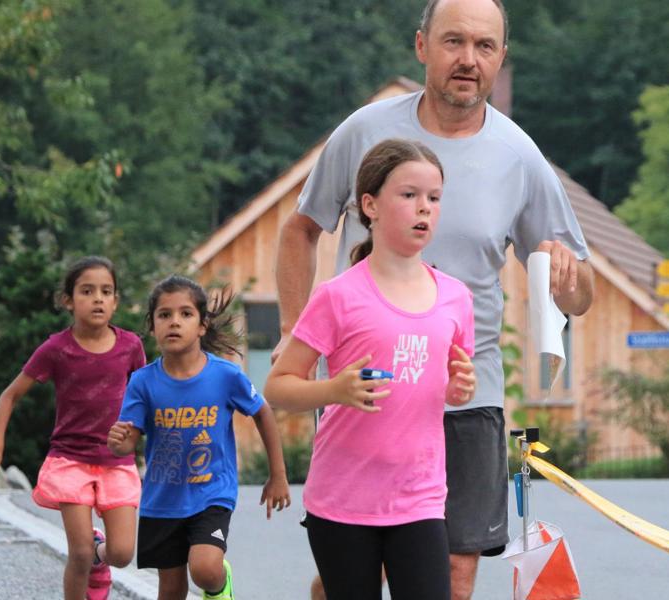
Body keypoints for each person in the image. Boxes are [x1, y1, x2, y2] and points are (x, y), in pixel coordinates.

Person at [274, 1, 595, 598]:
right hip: (368, 390)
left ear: (501, 58)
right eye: (453, 42)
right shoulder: (366, 132)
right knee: (363, 570)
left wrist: (568, 279)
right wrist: (294, 333)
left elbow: (579, 295)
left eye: (484, 46)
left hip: (468, 391)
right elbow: (300, 229)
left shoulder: (520, 157)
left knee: (453, 569)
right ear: (422, 46)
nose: (468, 60)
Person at [265, 138, 478, 599]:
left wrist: (459, 389)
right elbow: (278, 387)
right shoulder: (338, 297)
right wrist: (334, 390)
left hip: (420, 497)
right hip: (343, 500)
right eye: (409, 195)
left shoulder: (456, 298)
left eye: (434, 198)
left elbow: (443, 385)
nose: (424, 208)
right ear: (370, 205)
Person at [0, 256, 146, 600]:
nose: (97, 298)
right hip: (70, 461)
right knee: (77, 552)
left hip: (116, 463)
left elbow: (144, 398)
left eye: (106, 291)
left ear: (115, 301)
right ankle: (88, 560)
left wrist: (139, 437)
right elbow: (10, 396)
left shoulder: (130, 347)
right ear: (68, 301)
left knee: (123, 553)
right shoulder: (57, 349)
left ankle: (102, 557)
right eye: (87, 291)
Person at [107, 275, 291, 600]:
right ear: (152, 326)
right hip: (162, 499)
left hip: (211, 492)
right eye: (164, 315)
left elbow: (262, 411)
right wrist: (118, 440)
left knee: (205, 569)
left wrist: (277, 475)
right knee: (171, 589)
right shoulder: (142, 382)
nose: (174, 322)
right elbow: (127, 442)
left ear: (202, 325)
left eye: (185, 314)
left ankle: (220, 585)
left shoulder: (225, 375)